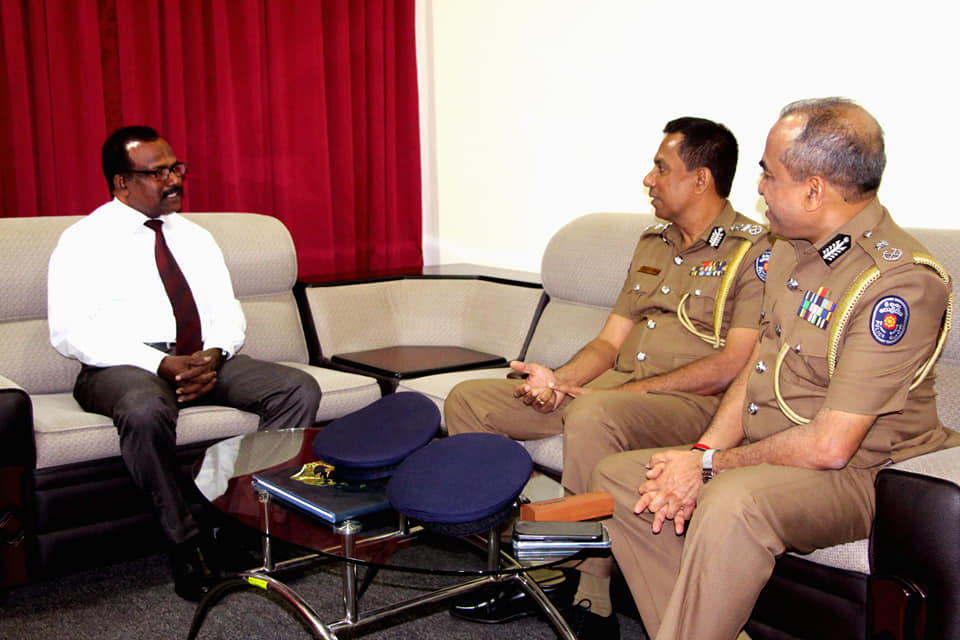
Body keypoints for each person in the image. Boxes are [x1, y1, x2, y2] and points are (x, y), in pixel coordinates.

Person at [588, 97, 957, 640]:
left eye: (769, 174)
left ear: (814, 191)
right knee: (622, 478)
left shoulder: (898, 283)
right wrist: (700, 452)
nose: (758, 188)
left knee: (732, 503)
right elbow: (758, 367)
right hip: (782, 454)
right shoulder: (786, 250)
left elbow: (831, 446)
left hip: (864, 474)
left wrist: (711, 468)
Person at [445, 117, 772, 631]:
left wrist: (621, 391)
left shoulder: (754, 251)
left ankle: (590, 592)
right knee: (468, 399)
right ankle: (526, 560)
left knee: (595, 411)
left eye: (661, 168)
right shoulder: (652, 242)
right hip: (614, 392)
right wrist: (559, 381)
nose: (648, 179)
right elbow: (607, 343)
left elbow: (733, 364)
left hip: (692, 406)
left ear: (700, 180)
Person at [47, 126, 322, 601]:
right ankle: (187, 543)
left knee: (297, 389)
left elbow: (227, 311)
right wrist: (160, 364)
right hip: (123, 365)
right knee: (143, 411)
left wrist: (213, 355)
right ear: (121, 182)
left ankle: (242, 524)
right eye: (157, 173)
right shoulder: (84, 240)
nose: (174, 180)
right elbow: (71, 332)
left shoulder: (194, 237)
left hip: (201, 356)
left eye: (175, 168)